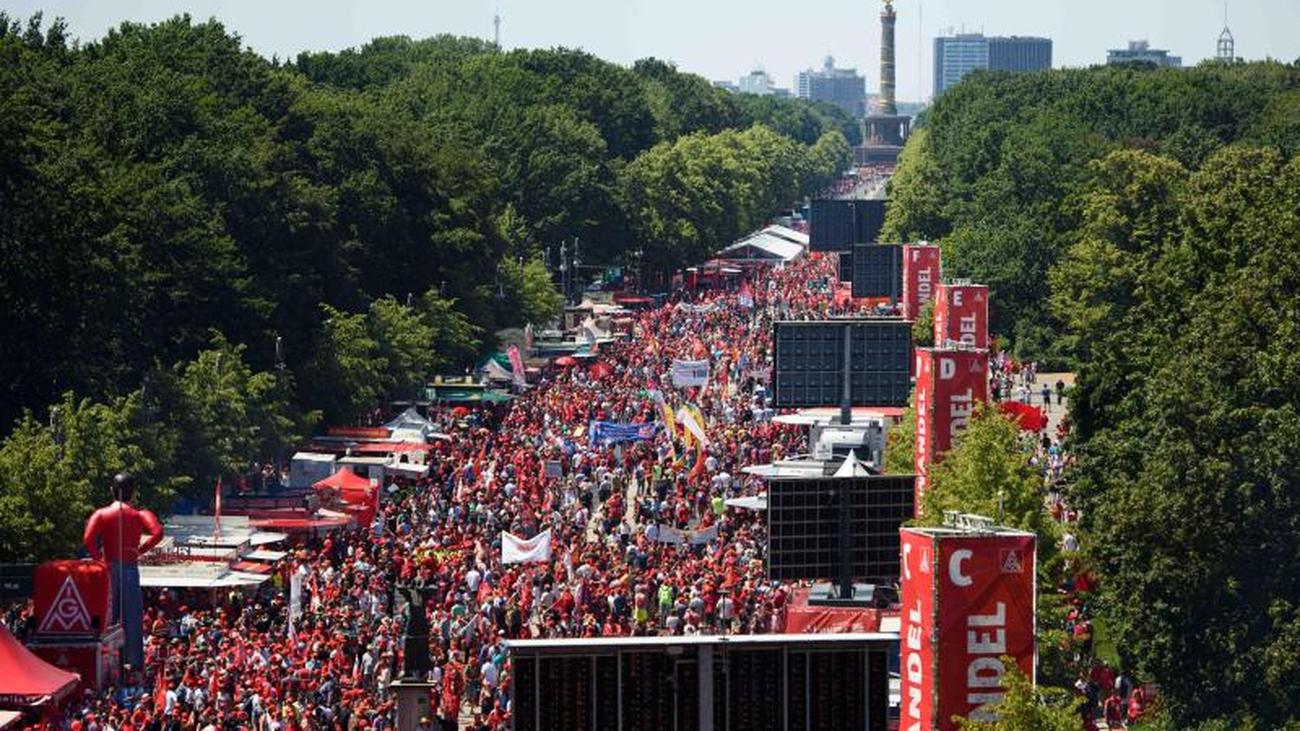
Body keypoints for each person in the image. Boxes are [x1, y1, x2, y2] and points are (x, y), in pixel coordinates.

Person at [83, 472, 165, 671]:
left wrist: (99, 560)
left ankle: (107, 663)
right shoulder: (138, 514)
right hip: (129, 567)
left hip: (109, 567)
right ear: (133, 493)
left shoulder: (101, 514)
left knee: (110, 616)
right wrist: (140, 550)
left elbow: (88, 538)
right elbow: (158, 532)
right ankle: (134, 664)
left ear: (112, 490)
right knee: (132, 618)